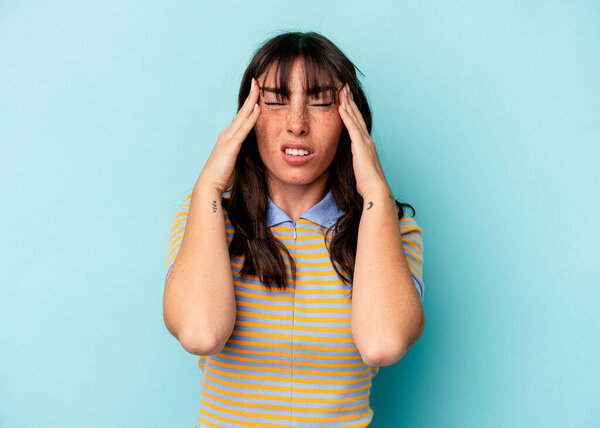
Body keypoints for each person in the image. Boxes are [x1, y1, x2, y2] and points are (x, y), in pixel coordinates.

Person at [163, 31, 425, 427]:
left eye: (320, 101)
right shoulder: (204, 216)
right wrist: (209, 186)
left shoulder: (393, 227)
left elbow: (382, 344)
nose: (297, 123)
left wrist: (373, 188)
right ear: (248, 115)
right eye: (275, 100)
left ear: (349, 119)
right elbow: (201, 334)